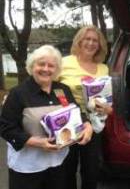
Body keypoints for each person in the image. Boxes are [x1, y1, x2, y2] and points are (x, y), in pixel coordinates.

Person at [0, 45, 93, 189]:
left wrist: (87, 125)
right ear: (32, 66)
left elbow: (77, 112)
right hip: (28, 167)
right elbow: (5, 127)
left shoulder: (62, 89)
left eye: (51, 65)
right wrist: (35, 142)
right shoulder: (18, 94)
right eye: (41, 64)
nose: (46, 69)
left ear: (57, 70)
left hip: (59, 164)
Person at [59, 25, 112, 189]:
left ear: (100, 45)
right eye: (87, 39)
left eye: (95, 40)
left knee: (91, 170)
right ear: (79, 41)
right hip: (68, 121)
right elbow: (50, 87)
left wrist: (108, 110)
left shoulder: (103, 67)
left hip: (94, 122)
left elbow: (107, 98)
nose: (91, 43)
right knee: (67, 169)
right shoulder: (64, 62)